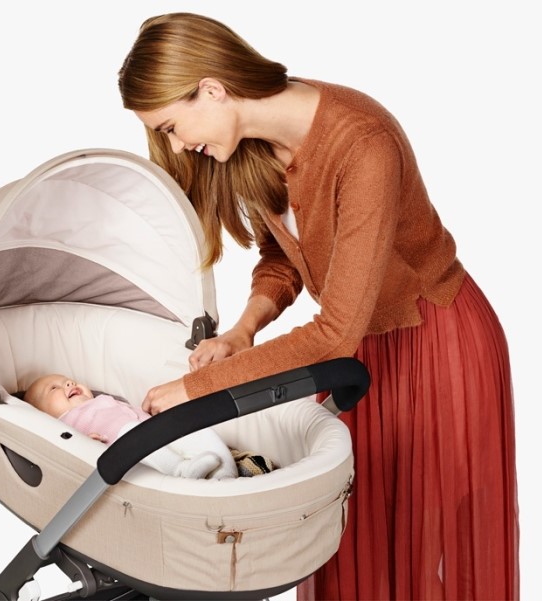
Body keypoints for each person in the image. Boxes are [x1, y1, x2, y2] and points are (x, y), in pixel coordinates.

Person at [117, 12, 518, 600]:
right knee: (353, 537)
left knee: (436, 543)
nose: (178, 145)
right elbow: (283, 257)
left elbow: (333, 334)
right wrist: (244, 330)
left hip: (437, 346)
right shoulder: (254, 146)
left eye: (172, 127)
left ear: (212, 89)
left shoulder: (363, 144)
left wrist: (200, 391)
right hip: (359, 359)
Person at [24, 373, 237, 479]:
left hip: (159, 431)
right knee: (130, 434)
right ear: (44, 414)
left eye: (68, 380)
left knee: (195, 427)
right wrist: (86, 445)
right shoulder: (64, 426)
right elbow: (73, 454)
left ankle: (226, 474)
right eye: (54, 388)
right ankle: (181, 472)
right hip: (130, 449)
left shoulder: (104, 398)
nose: (69, 384)